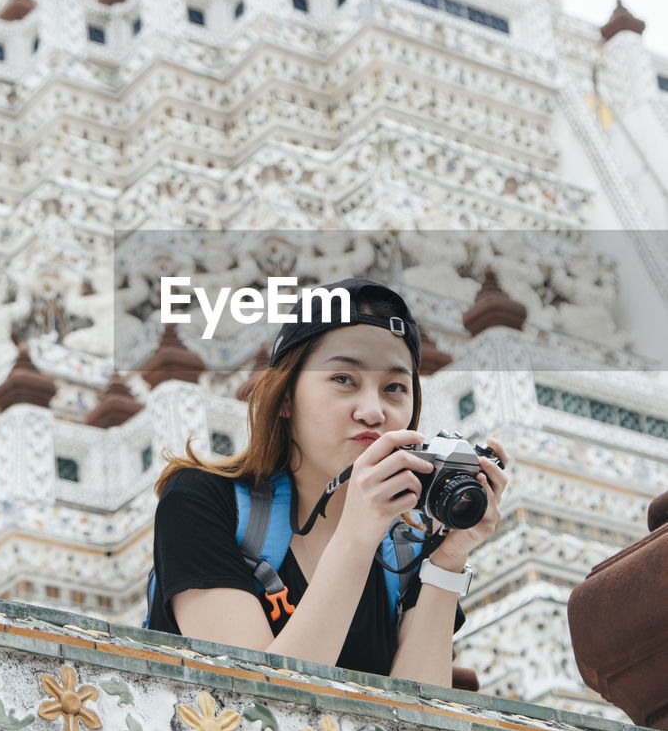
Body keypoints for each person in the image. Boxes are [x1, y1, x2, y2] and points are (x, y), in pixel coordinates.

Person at [147, 278, 507, 686]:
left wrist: (448, 560)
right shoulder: (203, 504)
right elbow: (256, 704)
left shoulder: (408, 552)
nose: (373, 412)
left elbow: (426, 723)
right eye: (343, 379)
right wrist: (356, 536)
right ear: (285, 397)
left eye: (394, 388)